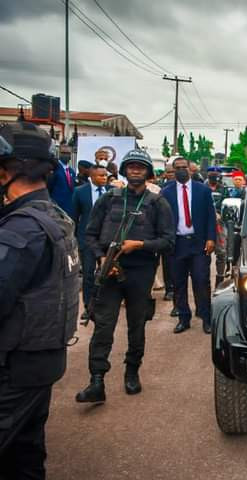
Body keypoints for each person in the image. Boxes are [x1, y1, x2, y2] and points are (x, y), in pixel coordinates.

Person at [0, 121, 80, 479]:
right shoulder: (54, 217)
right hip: (39, 362)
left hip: (15, 368)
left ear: (5, 173)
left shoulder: (21, 229)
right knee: (25, 455)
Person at [76, 149, 174, 403]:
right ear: (124, 170)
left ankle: (132, 372)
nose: (135, 170)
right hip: (110, 269)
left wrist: (139, 245)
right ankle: (96, 380)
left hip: (140, 272)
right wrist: (100, 257)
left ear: (148, 173)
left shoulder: (158, 203)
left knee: (136, 325)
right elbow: (89, 234)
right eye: (131, 166)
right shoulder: (109, 199)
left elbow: (168, 241)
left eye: (140, 167)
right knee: (103, 326)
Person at [161, 157, 216, 334]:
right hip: (177, 244)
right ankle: (183, 318)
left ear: (191, 169)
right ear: (173, 170)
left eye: (184, 167)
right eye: (177, 168)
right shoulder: (166, 192)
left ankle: (206, 317)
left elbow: (210, 216)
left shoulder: (203, 190)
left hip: (199, 244)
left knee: (201, 280)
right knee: (179, 283)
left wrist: (211, 238)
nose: (181, 170)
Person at [72, 164, 109, 321]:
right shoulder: (80, 192)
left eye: (105, 175)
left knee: (106, 274)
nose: (104, 178)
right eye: (101, 176)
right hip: (87, 240)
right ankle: (88, 306)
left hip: (107, 240)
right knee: (88, 275)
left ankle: (103, 304)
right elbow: (73, 216)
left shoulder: (112, 192)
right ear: (92, 177)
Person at [206, 168, 227, 289]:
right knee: (204, 253)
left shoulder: (224, 189)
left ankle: (219, 281)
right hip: (205, 222)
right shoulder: (202, 188)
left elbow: (226, 204)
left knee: (222, 252)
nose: (214, 180)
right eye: (212, 177)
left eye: (217, 177)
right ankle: (203, 279)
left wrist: (219, 213)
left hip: (219, 222)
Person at [47, 142, 76, 216]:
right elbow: (49, 187)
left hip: (69, 208)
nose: (66, 155)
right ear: (59, 153)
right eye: (63, 153)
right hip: (56, 207)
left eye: (68, 153)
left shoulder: (71, 171)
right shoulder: (54, 168)